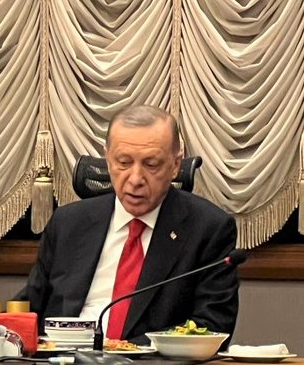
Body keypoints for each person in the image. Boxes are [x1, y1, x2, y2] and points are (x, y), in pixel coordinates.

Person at [18, 105, 239, 345]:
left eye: (151, 165)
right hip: (62, 355)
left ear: (176, 165)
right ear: (107, 159)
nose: (135, 179)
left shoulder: (208, 229)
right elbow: (28, 309)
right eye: (123, 162)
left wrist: (122, 350)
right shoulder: (68, 223)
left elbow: (211, 327)